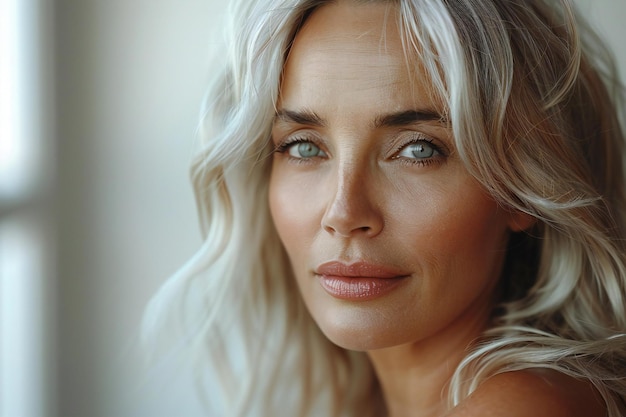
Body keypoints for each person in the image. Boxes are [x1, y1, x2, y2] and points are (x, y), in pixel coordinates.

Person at [144, 0, 626, 415]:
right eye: (304, 147)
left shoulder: (528, 405)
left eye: (418, 150)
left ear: (521, 188)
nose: (343, 211)